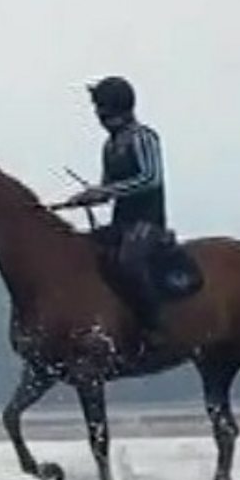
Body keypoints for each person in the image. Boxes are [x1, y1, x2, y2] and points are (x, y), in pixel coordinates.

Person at [64, 75, 168, 331]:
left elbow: (151, 178)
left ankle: (153, 326)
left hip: (146, 224)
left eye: (101, 107)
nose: (98, 115)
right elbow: (108, 189)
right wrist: (87, 197)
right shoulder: (109, 146)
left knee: (129, 262)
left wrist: (104, 191)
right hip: (121, 223)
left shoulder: (143, 137)